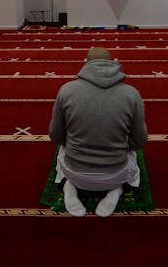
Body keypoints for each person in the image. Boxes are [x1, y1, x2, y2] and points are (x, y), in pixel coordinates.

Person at [49, 47, 148, 217]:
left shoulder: (66, 90)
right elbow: (140, 141)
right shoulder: (131, 94)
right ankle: (115, 190)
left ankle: (70, 188)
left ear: (86, 64)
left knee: (63, 150)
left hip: (75, 171)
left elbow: (56, 136)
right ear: (112, 64)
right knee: (132, 156)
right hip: (115, 173)